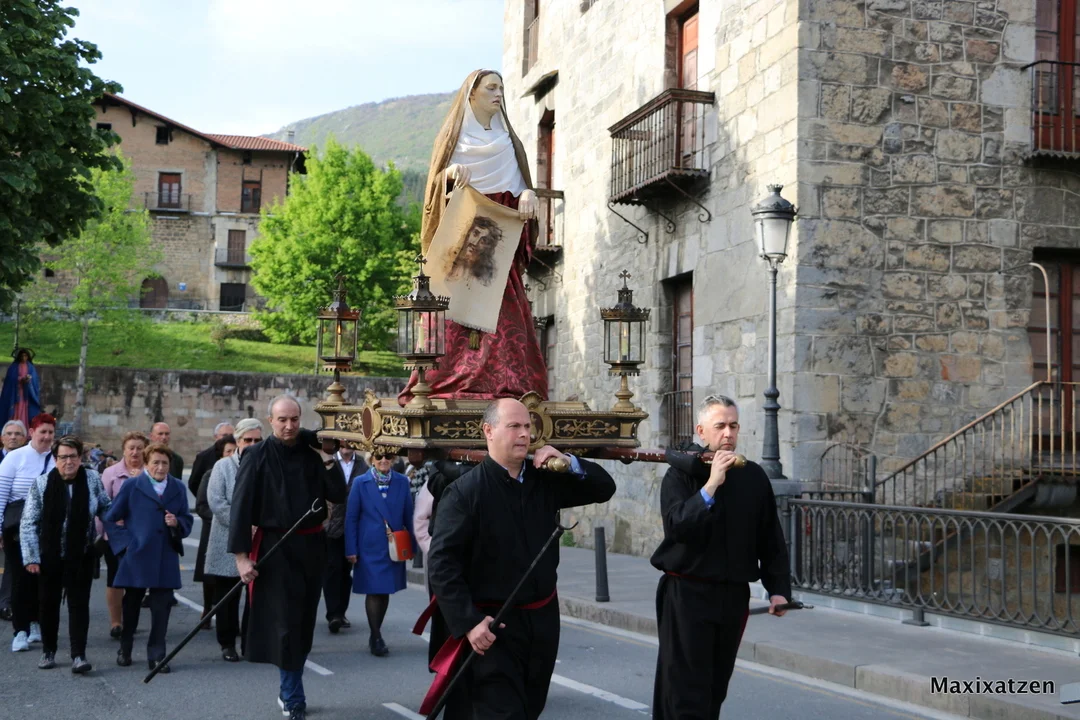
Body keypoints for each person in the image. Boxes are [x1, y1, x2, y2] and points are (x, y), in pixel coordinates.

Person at [425, 398, 616, 718]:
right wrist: (469, 622)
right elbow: (442, 564)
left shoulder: (546, 479)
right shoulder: (463, 493)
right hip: (492, 626)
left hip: (542, 622)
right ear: (488, 431)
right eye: (514, 426)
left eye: (528, 426)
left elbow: (604, 488)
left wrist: (568, 461)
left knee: (530, 707)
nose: (525, 434)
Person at [399, 69, 546, 405]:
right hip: (460, 248)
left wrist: (528, 194)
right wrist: (449, 176)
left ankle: (507, 388)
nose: (498, 94)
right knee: (450, 320)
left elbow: (520, 187)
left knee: (506, 319)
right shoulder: (452, 141)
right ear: (472, 94)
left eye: (501, 88)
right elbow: (433, 196)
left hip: (497, 250)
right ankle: (437, 386)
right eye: (491, 87)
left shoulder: (509, 143)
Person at [650, 395, 791, 720]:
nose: (728, 433)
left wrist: (779, 589)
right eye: (720, 426)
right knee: (685, 690)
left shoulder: (753, 476)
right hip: (687, 594)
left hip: (732, 596)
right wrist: (711, 485)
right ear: (701, 431)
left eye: (733, 425)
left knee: (715, 688)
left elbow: (770, 537)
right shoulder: (680, 476)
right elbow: (677, 527)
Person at [229, 395, 346, 720]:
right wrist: (241, 557)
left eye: (294, 419)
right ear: (271, 421)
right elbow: (240, 508)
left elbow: (338, 494)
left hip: (312, 548)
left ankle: (289, 688)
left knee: (304, 622)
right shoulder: (256, 456)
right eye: (282, 419)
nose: (289, 425)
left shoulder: (312, 454)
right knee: (285, 623)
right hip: (275, 548)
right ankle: (293, 696)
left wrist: (328, 458)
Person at [20, 435, 111, 672]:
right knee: (48, 605)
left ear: (80, 458)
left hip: (81, 554)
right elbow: (28, 522)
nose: (68, 462)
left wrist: (117, 526)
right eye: (63, 457)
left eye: (73, 456)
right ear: (55, 459)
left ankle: (79, 655)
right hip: (49, 556)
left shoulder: (92, 479)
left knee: (79, 605)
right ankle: (48, 651)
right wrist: (31, 557)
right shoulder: (41, 483)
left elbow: (105, 508)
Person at [105, 442, 193, 672]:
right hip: (137, 556)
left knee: (162, 608)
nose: (160, 467)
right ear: (146, 464)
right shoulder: (133, 485)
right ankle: (125, 648)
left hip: (165, 557)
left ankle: (157, 656)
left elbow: (187, 519)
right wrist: (125, 545)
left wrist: (177, 523)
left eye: (165, 463)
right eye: (155, 462)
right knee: (132, 605)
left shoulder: (177, 487)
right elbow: (111, 518)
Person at [344, 450, 415, 657]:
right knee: (374, 591)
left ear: (393, 459)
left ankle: (376, 633)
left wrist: (411, 546)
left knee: (384, 591)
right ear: (371, 459)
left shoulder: (402, 481)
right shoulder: (360, 483)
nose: (383, 460)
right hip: (369, 547)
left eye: (388, 456)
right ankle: (376, 636)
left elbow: (409, 515)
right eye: (378, 456)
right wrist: (351, 549)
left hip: (393, 546)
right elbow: (351, 518)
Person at [205, 418, 263, 662]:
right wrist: (244, 524)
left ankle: (250, 641)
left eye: (257, 440)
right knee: (227, 596)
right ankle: (227, 643)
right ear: (238, 441)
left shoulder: (266, 464)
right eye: (247, 440)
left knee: (255, 596)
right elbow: (217, 502)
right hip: (227, 539)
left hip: (259, 538)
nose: (252, 444)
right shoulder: (223, 466)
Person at [0, 412, 56, 652]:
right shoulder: (15, 458)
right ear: (32, 433)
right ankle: (20, 630)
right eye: (42, 432)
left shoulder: (58, 458)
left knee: (43, 578)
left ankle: (36, 623)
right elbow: (1, 494)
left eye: (51, 432)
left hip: (48, 528)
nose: (47, 437)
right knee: (20, 578)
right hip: (17, 528)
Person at [193, 432, 237, 630]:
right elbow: (202, 505)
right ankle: (208, 609)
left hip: (235, 531)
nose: (232, 454)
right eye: (228, 451)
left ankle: (231, 621)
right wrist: (221, 517)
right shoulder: (212, 474)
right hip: (214, 530)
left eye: (235, 451)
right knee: (211, 577)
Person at [323, 444, 367, 634]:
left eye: (349, 442)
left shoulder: (363, 465)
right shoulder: (329, 462)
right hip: (331, 527)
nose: (346, 446)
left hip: (353, 528)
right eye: (342, 442)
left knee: (346, 571)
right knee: (332, 569)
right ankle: (333, 614)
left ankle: (341, 612)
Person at [0, 420, 28, 621]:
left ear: (25, 438)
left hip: (13, 519)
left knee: (12, 562)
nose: (13, 437)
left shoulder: (28, 460)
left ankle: (6, 603)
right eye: (9, 433)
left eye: (18, 434)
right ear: (2, 438)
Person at [0, 348, 41, 429]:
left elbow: (35, 380)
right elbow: (10, 379)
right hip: (15, 394)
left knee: (24, 410)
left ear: (28, 357)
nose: (23, 358)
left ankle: (23, 427)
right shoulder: (14, 367)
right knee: (15, 409)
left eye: (25, 356)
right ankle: (12, 428)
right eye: (22, 356)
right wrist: (20, 379)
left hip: (26, 393)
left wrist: (28, 380)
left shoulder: (30, 367)